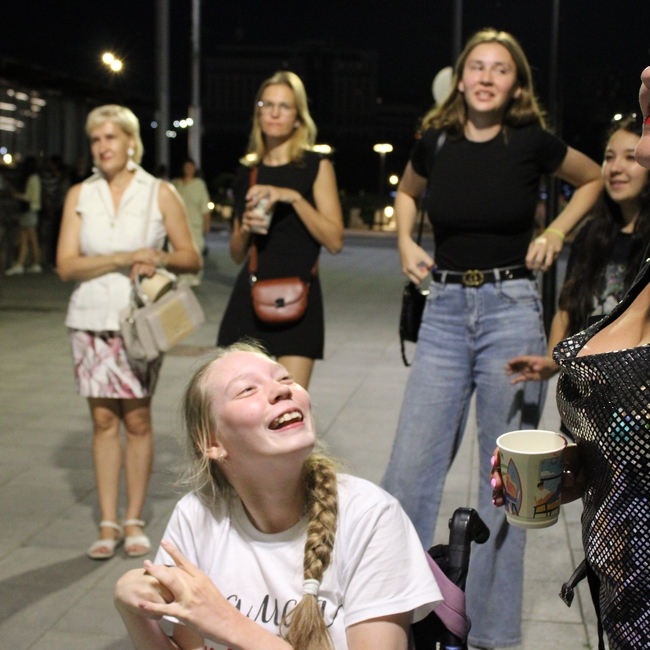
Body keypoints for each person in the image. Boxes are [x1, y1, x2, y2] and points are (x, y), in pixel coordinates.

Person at [380, 29, 603, 649]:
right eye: (476, 66)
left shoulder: (531, 141)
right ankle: (390, 615)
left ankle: (490, 633)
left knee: (510, 481)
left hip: (510, 309)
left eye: (499, 69)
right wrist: (404, 240)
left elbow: (590, 179)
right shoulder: (435, 142)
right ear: (460, 79)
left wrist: (555, 231)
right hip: (445, 312)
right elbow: (406, 192)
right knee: (408, 471)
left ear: (516, 85)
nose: (485, 77)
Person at [113, 342, 443, 650]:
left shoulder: (370, 515)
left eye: (284, 378)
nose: (282, 389)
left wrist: (228, 623)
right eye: (247, 389)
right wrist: (133, 612)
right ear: (212, 442)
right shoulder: (197, 515)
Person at [491, 65, 650, 650]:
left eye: (636, 148)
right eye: (612, 155)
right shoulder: (599, 237)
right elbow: (572, 308)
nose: (623, 163)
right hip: (623, 581)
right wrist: (580, 469)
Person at [56, 104, 202, 560]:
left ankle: (134, 518)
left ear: (131, 142)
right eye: (96, 139)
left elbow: (190, 256)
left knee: (137, 420)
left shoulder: (159, 191)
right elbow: (65, 265)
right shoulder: (80, 194)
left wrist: (157, 257)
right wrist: (123, 257)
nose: (102, 147)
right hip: (88, 320)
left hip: (139, 324)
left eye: (111, 137)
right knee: (103, 421)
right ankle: (107, 521)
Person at [217, 71, 344, 389]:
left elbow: (334, 241)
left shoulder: (316, 166)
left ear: (298, 117)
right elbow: (236, 254)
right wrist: (245, 228)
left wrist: (293, 197)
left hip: (299, 298)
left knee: (289, 405)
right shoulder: (248, 172)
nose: (274, 113)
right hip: (250, 297)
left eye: (284, 106)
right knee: (240, 406)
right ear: (258, 112)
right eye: (267, 105)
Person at [506, 114, 650, 388]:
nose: (615, 168)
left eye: (630, 158)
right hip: (589, 391)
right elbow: (568, 307)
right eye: (609, 158)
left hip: (639, 394)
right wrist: (552, 361)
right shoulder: (592, 235)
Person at [172, 158, 211, 286]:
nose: (189, 170)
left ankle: (194, 277)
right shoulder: (176, 184)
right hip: (178, 226)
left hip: (195, 225)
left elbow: (205, 207)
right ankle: (181, 277)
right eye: (186, 167)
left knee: (196, 251)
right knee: (178, 251)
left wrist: (207, 225)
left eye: (191, 167)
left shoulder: (199, 185)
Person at [5, 156, 42, 275]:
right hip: (32, 210)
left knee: (29, 238)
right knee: (28, 238)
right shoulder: (36, 177)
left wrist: (17, 195)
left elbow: (30, 197)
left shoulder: (32, 178)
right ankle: (29, 263)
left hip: (29, 210)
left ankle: (26, 264)